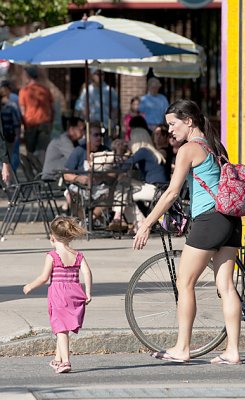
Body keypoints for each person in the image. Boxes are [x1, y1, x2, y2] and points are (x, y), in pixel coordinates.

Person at [133, 99, 242, 365]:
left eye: (173, 124)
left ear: (189, 121)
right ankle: (233, 351)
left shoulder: (189, 149)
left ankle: (182, 347)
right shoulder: (216, 146)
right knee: (226, 286)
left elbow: (171, 193)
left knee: (185, 283)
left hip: (209, 222)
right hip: (230, 220)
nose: (170, 130)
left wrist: (146, 223)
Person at [23, 216, 92, 374]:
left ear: (52, 237)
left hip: (59, 294)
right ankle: (57, 359)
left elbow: (44, 277)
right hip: (75, 293)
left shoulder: (52, 256)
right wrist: (87, 292)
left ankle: (66, 362)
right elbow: (87, 272)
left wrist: (29, 286)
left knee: (60, 329)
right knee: (64, 326)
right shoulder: (78, 255)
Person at [108, 129, 168, 232]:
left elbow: (123, 167)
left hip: (156, 190)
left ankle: (119, 217)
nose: (129, 143)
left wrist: (119, 152)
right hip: (160, 189)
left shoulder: (143, 151)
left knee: (123, 188)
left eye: (131, 140)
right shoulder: (150, 152)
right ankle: (139, 224)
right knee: (125, 196)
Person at [19, 66, 54, 164]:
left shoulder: (24, 91)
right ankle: (42, 173)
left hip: (30, 124)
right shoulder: (45, 90)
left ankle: (31, 174)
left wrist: (22, 125)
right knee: (43, 150)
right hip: (44, 122)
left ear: (28, 76)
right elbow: (52, 108)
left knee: (30, 151)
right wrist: (50, 122)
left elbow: (22, 110)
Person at [42, 117, 85, 181]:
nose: (84, 132)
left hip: (60, 175)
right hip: (52, 177)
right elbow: (75, 158)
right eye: (81, 129)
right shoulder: (63, 140)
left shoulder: (74, 142)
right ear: (71, 129)